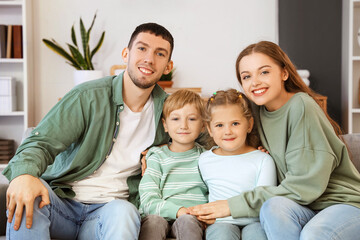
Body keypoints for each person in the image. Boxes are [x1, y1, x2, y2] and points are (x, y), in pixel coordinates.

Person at [2, 22, 174, 240]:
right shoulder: (87, 96)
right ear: (126, 54)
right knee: (30, 193)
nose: (149, 59)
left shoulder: (171, 112)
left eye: (160, 53)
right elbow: (40, 143)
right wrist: (24, 175)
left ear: (168, 66)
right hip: (61, 204)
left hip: (111, 212)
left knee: (125, 212)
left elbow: (205, 146)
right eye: (142, 48)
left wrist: (165, 153)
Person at [189, 41, 360, 240]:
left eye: (264, 72)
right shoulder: (257, 112)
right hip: (302, 206)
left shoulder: (301, 106)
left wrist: (232, 205)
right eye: (246, 76)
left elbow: (304, 186)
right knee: (271, 207)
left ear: (284, 74)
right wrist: (161, 148)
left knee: (314, 234)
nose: (255, 82)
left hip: (341, 204)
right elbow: (215, 129)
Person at [199, 89, 276, 240]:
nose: (227, 131)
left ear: (249, 124)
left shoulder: (263, 160)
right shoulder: (204, 159)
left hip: (256, 222)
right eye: (219, 125)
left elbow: (265, 201)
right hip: (220, 223)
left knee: (257, 235)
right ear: (209, 129)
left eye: (235, 123)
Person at [138, 89, 208, 240]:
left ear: (203, 125)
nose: (183, 126)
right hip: (157, 216)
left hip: (192, 219)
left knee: (188, 221)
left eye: (192, 119)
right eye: (176, 119)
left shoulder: (208, 158)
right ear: (165, 125)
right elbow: (148, 201)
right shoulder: (157, 157)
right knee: (154, 222)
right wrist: (178, 211)